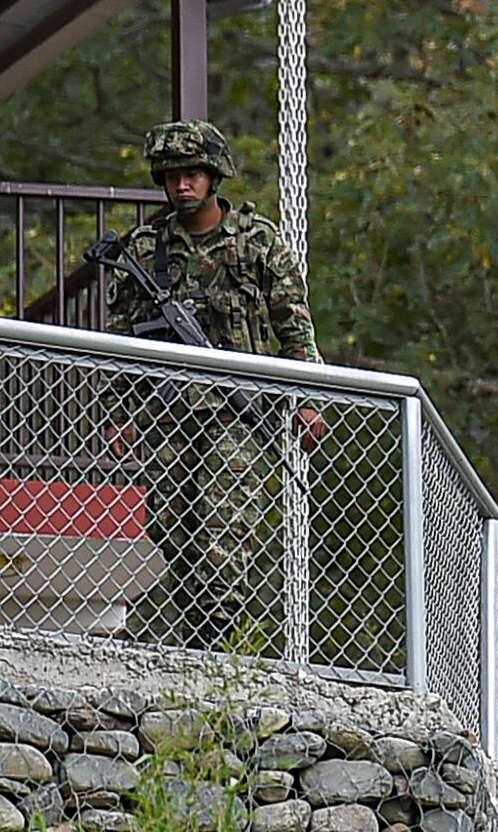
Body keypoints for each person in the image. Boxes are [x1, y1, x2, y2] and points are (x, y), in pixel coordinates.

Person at [103, 118, 324, 649]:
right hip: (166, 413)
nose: (183, 184)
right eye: (174, 174)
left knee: (225, 531)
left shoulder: (256, 242)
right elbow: (117, 342)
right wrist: (119, 413)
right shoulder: (146, 248)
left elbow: (294, 325)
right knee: (172, 529)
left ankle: (213, 643)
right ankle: (200, 636)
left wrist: (309, 403)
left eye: (194, 174)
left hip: (237, 412)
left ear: (214, 176)